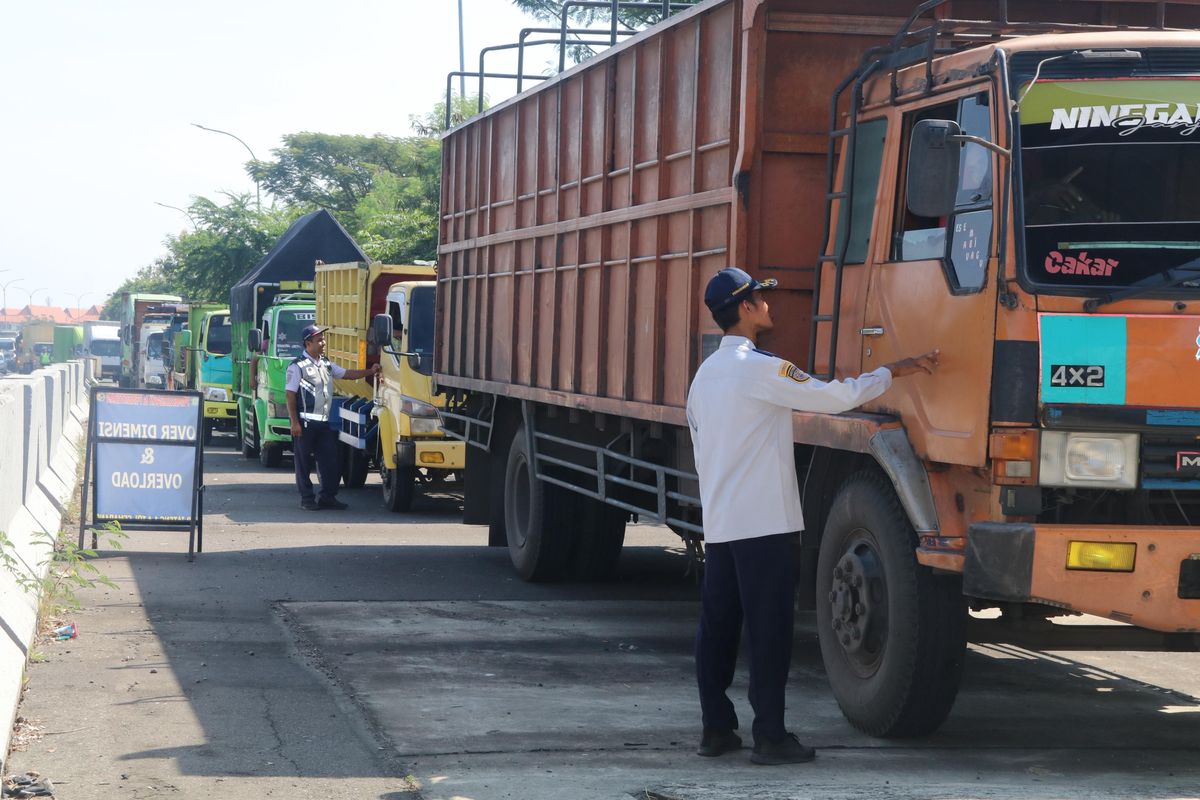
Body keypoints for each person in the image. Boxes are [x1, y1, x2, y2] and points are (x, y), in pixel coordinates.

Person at [686, 267, 939, 766]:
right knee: (769, 630)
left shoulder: (704, 376)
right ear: (745, 309)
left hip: (722, 524)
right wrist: (894, 370)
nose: (767, 304)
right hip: (765, 526)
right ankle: (771, 736)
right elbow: (835, 398)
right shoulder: (761, 368)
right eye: (760, 297)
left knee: (717, 627)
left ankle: (715, 729)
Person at [286, 324, 381, 511]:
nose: (323, 343)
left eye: (323, 339)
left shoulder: (326, 364)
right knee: (304, 464)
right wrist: (294, 422)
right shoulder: (297, 366)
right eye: (319, 340)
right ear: (308, 343)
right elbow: (290, 395)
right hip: (305, 423)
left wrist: (370, 371)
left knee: (332, 461)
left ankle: (327, 497)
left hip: (323, 423)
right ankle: (307, 499)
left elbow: (347, 374)